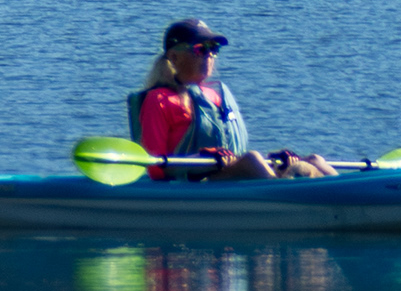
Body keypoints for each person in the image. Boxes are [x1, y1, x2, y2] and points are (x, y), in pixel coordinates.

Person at [132, 19, 333, 181]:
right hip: (192, 181)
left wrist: (276, 160)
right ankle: (286, 195)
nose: (209, 55)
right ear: (174, 57)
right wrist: (199, 159)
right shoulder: (158, 100)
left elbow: (233, 154)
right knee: (252, 159)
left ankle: (343, 190)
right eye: (200, 49)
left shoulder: (213, 96)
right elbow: (155, 167)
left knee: (313, 160)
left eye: (214, 48)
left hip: (225, 173)